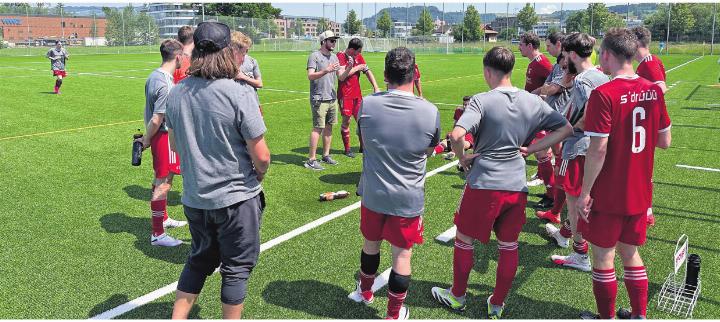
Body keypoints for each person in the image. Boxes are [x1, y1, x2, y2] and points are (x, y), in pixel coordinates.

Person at [430, 46, 572, 319]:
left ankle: (458, 296)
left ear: (487, 71)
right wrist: (532, 149)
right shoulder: (531, 100)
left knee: (464, 239)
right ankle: (496, 303)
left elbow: (457, 134)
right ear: (511, 70)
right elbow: (565, 128)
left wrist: (463, 159)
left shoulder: (482, 100)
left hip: (484, 183)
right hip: (516, 185)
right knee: (509, 245)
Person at [166, 23, 270, 319]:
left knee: (198, 260)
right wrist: (259, 175)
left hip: (195, 199)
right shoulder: (238, 92)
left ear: (195, 50)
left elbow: (176, 143)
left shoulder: (177, 92)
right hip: (236, 199)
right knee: (236, 268)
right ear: (228, 51)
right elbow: (261, 156)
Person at [577, 27, 671, 320]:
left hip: (609, 191)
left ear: (606, 54)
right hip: (640, 191)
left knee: (604, 256)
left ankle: (607, 318)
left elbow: (598, 150)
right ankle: (639, 315)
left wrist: (585, 193)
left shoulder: (603, 93)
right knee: (629, 253)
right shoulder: (654, 89)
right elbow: (664, 141)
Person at [348, 47, 441, 320]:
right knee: (402, 256)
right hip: (407, 198)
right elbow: (429, 149)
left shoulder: (368, 103)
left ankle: (364, 292)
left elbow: (364, 139)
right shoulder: (429, 111)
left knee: (370, 245)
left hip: (374, 193)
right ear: (414, 74)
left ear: (386, 74)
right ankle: (393, 313)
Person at [547, 32, 609, 272]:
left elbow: (589, 116)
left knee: (573, 200)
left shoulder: (583, 81)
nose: (563, 60)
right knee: (580, 198)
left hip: (578, 147)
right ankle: (568, 236)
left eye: (565, 55)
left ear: (572, 54)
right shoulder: (600, 76)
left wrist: (565, 128)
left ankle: (580, 253)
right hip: (590, 147)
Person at [138, 39, 187, 247]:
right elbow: (158, 117)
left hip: (160, 137)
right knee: (163, 182)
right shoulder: (166, 84)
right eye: (183, 56)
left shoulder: (154, 76)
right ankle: (157, 233)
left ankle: (163, 218)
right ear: (177, 57)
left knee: (163, 179)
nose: (183, 60)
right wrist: (147, 139)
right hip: (163, 137)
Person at [631, 26, 667, 228]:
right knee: (643, 169)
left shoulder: (650, 63)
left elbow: (661, 88)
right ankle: (646, 211)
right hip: (644, 122)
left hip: (645, 123)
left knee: (642, 169)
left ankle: (645, 212)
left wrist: (644, 104)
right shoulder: (648, 62)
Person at [519, 32, 555, 209]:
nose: (519, 47)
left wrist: (539, 95)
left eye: (521, 44)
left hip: (541, 115)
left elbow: (556, 82)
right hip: (532, 114)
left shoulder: (543, 63)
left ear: (530, 46)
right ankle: (549, 188)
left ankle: (553, 194)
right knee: (538, 152)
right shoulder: (533, 63)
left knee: (541, 153)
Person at [337, 37, 381, 158]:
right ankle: (347, 149)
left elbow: (367, 70)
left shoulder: (358, 57)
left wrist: (376, 86)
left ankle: (363, 147)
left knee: (362, 121)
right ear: (351, 49)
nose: (360, 54)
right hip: (345, 96)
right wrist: (356, 68)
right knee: (346, 122)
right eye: (358, 51)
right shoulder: (340, 56)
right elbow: (341, 77)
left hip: (357, 96)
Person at [305, 30, 342, 171]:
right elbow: (310, 76)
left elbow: (341, 76)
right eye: (331, 40)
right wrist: (326, 70)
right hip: (319, 98)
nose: (334, 43)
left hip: (332, 98)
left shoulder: (334, 57)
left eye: (334, 40)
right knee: (318, 128)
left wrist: (349, 67)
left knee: (329, 127)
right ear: (323, 41)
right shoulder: (314, 56)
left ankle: (326, 155)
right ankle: (311, 159)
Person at [432, 95, 474, 160]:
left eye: (467, 105)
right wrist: (453, 134)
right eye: (464, 104)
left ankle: (453, 152)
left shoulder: (475, 114)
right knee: (446, 140)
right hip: (459, 132)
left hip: (470, 134)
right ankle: (434, 151)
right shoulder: (458, 111)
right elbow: (455, 125)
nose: (465, 106)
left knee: (466, 142)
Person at [233, 32, 264, 116]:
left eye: (247, 49)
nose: (246, 52)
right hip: (235, 105)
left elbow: (260, 83)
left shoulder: (252, 61)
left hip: (253, 103)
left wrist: (243, 77)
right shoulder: (224, 63)